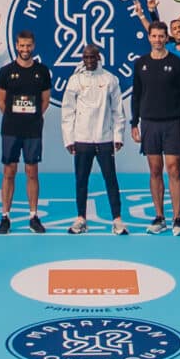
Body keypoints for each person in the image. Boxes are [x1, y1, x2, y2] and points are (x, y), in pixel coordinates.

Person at [131, 13, 180, 233]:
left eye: (161, 36)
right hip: (149, 123)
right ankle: (159, 217)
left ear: (166, 38)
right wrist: (134, 122)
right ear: (148, 37)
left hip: (172, 123)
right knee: (155, 170)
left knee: (174, 169)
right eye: (154, 36)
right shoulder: (141, 64)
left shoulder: (177, 63)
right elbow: (136, 95)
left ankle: (177, 218)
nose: (157, 39)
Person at [60, 42, 128, 235]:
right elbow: (67, 111)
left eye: (92, 57)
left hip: (105, 138)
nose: (89, 60)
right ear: (83, 59)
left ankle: (117, 219)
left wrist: (118, 135)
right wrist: (69, 139)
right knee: (81, 180)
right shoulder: (75, 80)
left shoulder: (109, 79)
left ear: (99, 58)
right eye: (86, 57)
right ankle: (81, 218)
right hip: (82, 139)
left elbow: (117, 110)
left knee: (111, 180)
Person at [0, 30, 52, 234]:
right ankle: (5, 217)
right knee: (9, 172)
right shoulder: (6, 71)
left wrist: (31, 117)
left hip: (33, 129)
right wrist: (15, 117)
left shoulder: (42, 71)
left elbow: (45, 101)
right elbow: (1, 102)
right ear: (16, 46)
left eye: (28, 46)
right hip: (10, 128)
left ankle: (33, 216)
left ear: (33, 46)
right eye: (21, 46)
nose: (25, 49)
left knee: (32, 172)